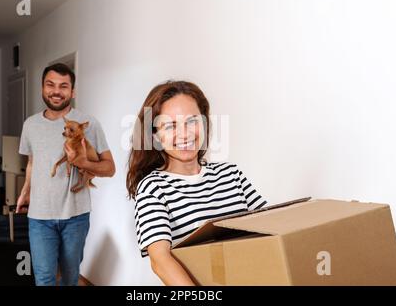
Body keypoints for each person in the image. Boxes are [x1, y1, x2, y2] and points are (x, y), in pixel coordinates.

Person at [127, 80, 267, 285]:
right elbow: (160, 260)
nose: (185, 134)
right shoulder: (153, 188)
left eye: (192, 121)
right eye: (170, 125)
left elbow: (269, 225)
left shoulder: (231, 173)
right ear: (155, 135)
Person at [16, 63, 115, 285]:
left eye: (63, 86)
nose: (56, 91)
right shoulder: (30, 125)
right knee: (44, 278)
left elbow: (110, 168)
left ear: (73, 91)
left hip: (76, 217)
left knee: (70, 278)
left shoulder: (89, 124)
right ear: (42, 88)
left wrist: (83, 162)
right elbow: (32, 162)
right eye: (50, 85)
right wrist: (25, 192)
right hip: (39, 217)